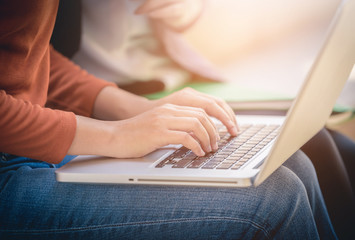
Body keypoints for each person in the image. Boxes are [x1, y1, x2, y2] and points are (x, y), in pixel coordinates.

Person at [0, 1, 338, 239]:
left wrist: (137, 109)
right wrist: (117, 136)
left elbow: (27, 53)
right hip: (9, 168)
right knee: (275, 198)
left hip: (35, 142)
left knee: (292, 160)